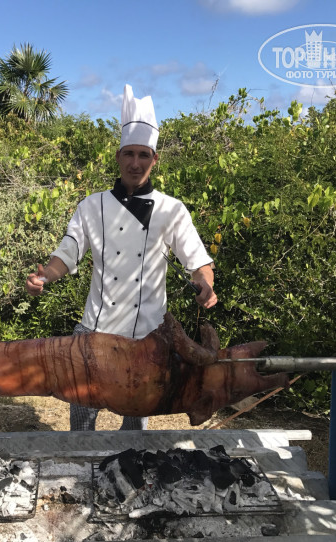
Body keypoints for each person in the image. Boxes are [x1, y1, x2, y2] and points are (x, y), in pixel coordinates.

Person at [25, 84, 217, 431]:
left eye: (143, 155)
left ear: (155, 159)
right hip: (95, 331)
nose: (135, 163)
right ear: (118, 156)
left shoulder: (172, 210)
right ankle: (81, 460)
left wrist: (205, 285)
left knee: (135, 429)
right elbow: (68, 252)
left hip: (148, 337)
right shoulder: (91, 205)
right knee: (82, 421)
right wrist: (45, 276)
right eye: (129, 154)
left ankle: (130, 463)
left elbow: (198, 262)